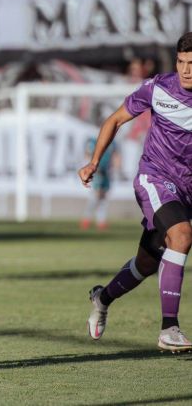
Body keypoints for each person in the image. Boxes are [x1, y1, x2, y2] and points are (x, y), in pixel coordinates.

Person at [81, 32, 192, 352]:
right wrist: (93, 162)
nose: (186, 70)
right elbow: (115, 120)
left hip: (187, 189)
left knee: (147, 262)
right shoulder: (158, 89)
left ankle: (102, 298)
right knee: (182, 235)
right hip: (154, 177)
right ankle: (169, 328)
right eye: (181, 62)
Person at [79, 136, 118, 231]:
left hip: (107, 172)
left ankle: (101, 221)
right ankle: (87, 219)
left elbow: (115, 155)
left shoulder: (112, 142)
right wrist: (90, 167)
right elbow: (87, 154)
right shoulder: (93, 140)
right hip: (97, 170)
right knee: (96, 196)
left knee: (103, 197)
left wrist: (114, 168)